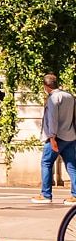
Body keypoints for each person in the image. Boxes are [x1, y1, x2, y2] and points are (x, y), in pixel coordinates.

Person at [34, 72, 76, 206]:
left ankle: (46, 194)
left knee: (46, 163)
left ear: (46, 86)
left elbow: (52, 119)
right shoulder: (70, 96)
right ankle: (75, 195)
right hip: (70, 136)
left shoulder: (53, 98)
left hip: (56, 137)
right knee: (72, 166)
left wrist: (52, 138)